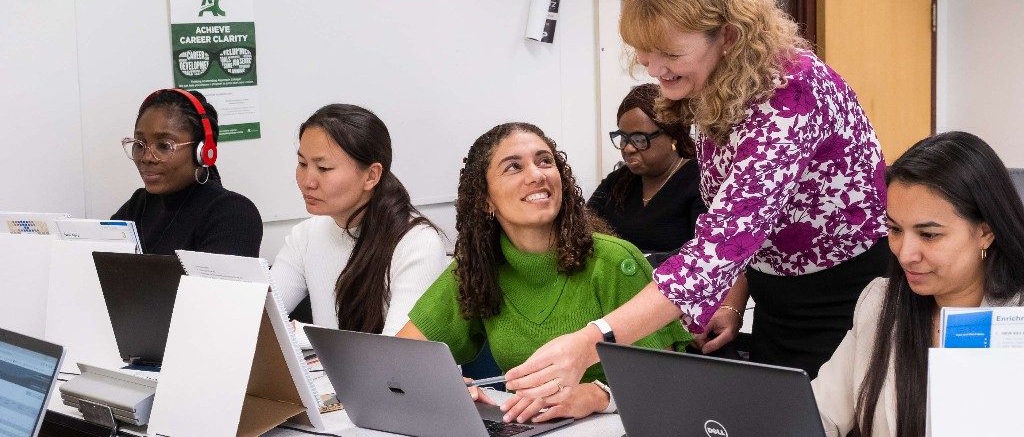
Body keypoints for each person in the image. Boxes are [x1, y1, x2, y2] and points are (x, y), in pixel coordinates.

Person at [502, 0, 890, 419]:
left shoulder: (788, 98)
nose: (654, 67)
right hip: (775, 299)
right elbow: (746, 220)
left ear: (727, 35)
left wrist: (590, 342)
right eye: (643, 52)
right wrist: (732, 301)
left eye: (668, 52)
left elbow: (721, 243)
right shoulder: (716, 86)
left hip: (845, 301)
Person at [396, 122, 691, 423]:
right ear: (485, 199)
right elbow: (400, 359)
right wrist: (443, 387)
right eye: (513, 167)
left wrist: (598, 395)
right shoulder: (477, 268)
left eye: (545, 161)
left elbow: (665, 380)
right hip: (527, 428)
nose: (537, 175)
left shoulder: (615, 261)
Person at [812, 131, 1024, 437]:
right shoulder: (881, 303)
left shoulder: (1014, 320)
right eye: (895, 229)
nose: (905, 254)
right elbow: (819, 414)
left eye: (929, 235)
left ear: (985, 232)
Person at [271, 104, 448, 337]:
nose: (307, 181)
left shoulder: (417, 243)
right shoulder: (305, 235)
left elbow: (398, 353)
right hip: (331, 373)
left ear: (371, 175)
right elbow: (256, 315)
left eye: (323, 168)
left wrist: (302, 334)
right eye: (302, 164)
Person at [113, 88, 262, 256]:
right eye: (140, 144)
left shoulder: (233, 214)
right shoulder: (138, 205)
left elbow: (213, 283)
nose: (146, 157)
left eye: (164, 146)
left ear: (202, 152)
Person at [587, 83, 706, 254]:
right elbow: (582, 227)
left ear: (673, 136)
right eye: (623, 138)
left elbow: (704, 254)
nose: (628, 148)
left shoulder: (700, 180)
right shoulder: (618, 181)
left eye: (639, 139)